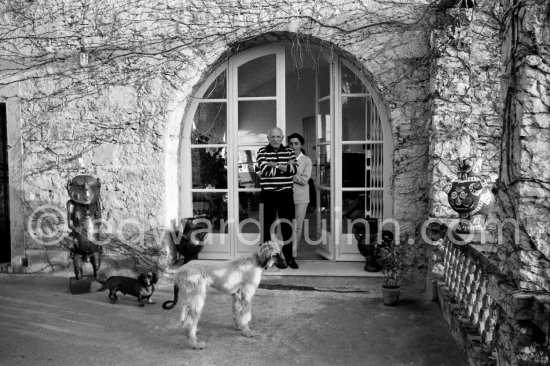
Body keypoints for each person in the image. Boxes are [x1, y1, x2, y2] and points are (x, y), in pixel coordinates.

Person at [256, 127, 298, 269]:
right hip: (268, 194)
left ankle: (289, 258)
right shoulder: (262, 151)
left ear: (282, 137)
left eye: (278, 137)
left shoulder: (289, 151)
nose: (275, 139)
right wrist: (284, 167)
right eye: (272, 137)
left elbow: (293, 170)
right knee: (267, 227)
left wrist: (274, 165)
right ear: (268, 138)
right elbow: (265, 171)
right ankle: (265, 260)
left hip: (286, 194)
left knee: (287, 227)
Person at [287, 133, 312, 265]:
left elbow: (304, 180)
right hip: (285, 197)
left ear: (301, 145)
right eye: (291, 143)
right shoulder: (284, 158)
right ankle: (284, 252)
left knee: (297, 227)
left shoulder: (306, 160)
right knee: (285, 225)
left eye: (296, 143)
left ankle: (292, 255)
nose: (293, 146)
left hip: (301, 198)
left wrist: (289, 172)